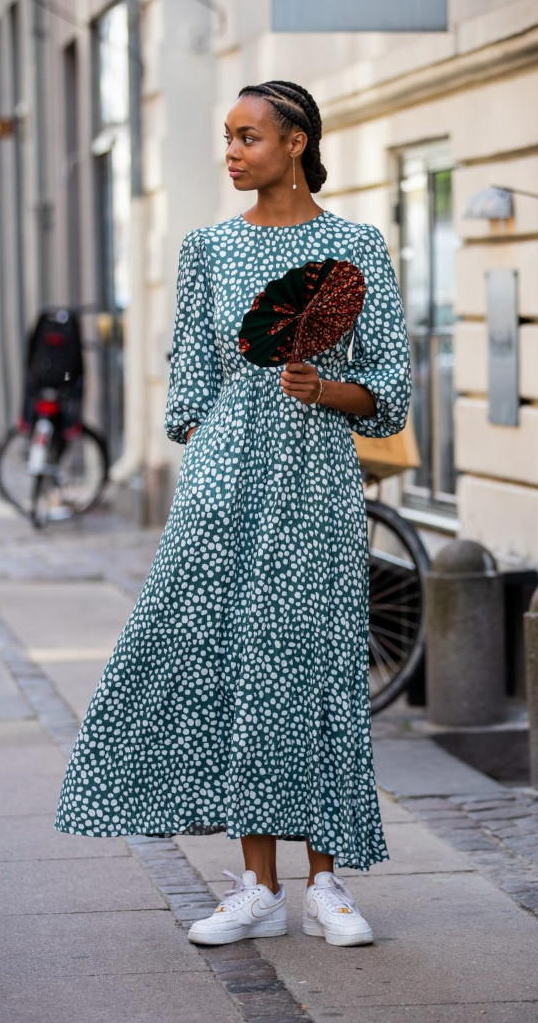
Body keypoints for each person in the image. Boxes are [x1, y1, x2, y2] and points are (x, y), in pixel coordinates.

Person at [54, 79, 412, 949]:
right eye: (227, 136)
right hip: (223, 489)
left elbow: (391, 397)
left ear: (296, 143)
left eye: (249, 136)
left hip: (318, 490)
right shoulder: (208, 247)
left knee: (321, 671)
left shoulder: (356, 246)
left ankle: (329, 885)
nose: (233, 151)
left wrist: (320, 387)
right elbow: (188, 385)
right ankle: (258, 886)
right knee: (230, 671)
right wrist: (209, 443)